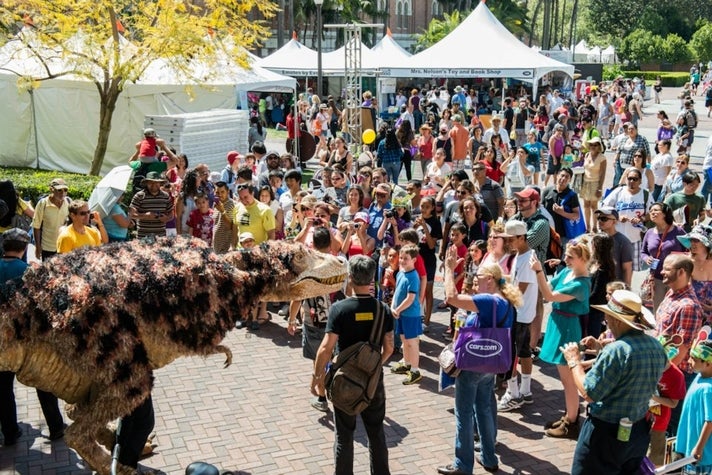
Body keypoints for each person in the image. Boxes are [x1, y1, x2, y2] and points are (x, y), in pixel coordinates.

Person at [562, 290, 667, 474]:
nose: (606, 321)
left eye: (608, 317)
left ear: (618, 320)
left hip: (606, 434)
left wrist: (574, 361)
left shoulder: (617, 350)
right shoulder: (655, 346)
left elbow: (589, 393)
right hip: (638, 431)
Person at [437, 247, 521, 475]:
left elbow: (451, 298)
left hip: (472, 364)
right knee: (484, 409)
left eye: (479, 278)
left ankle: (463, 464)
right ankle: (489, 457)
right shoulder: (504, 301)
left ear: (491, 280)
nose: (474, 282)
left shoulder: (487, 300)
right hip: (490, 363)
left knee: (463, 413)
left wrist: (448, 269)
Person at [311, 255, 395, 475]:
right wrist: (373, 367)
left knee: (344, 436)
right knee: (376, 433)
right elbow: (389, 348)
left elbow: (325, 348)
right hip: (373, 383)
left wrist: (317, 377)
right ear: (371, 280)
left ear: (350, 277)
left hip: (343, 381)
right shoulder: (382, 309)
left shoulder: (340, 309)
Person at [0, 228, 66, 446]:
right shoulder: (28, 271)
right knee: (43, 382)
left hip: (3, 339)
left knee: (3, 388)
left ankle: (10, 432)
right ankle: (56, 426)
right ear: (22, 248)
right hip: (26, 337)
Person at [530, 241, 591, 439]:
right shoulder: (567, 272)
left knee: (568, 380)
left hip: (567, 328)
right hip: (559, 323)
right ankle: (569, 415)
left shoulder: (582, 283)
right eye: (566, 255)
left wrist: (539, 271)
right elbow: (548, 291)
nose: (565, 259)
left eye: (570, 256)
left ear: (583, 259)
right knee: (565, 378)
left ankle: (571, 422)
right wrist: (540, 274)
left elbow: (548, 294)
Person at [655, 254, 705, 436]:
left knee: (672, 430)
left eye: (667, 269)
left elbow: (681, 351)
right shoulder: (671, 293)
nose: (662, 271)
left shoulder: (688, 306)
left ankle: (674, 465)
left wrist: (660, 374)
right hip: (664, 369)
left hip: (676, 376)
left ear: (682, 272)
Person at [498, 220, 538, 412]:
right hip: (521, 314)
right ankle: (525, 391)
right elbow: (514, 281)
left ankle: (514, 394)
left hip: (520, 314)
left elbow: (518, 290)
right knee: (522, 353)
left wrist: (499, 291)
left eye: (511, 239)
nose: (508, 243)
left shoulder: (527, 258)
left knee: (514, 355)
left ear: (522, 238)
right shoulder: (521, 256)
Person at [674, 339, 712, 474]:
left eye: (694, 359)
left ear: (707, 363)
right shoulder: (698, 377)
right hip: (689, 450)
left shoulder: (708, 389)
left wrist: (699, 448)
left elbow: (710, 421)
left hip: (701, 456)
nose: (689, 361)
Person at [641, 203, 686, 312]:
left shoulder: (678, 231)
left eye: (656, 210)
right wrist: (647, 259)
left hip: (676, 278)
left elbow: (689, 250)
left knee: (674, 310)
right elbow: (643, 252)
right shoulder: (649, 232)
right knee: (659, 311)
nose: (652, 213)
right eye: (651, 211)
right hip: (657, 278)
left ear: (665, 213)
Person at [389, 245, 424, 385]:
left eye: (406, 259)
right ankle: (407, 363)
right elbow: (397, 292)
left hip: (410, 315)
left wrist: (398, 309)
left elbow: (410, 299)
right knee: (404, 340)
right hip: (401, 314)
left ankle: (415, 370)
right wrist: (393, 306)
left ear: (414, 260)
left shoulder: (413, 277)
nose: (402, 261)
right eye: (401, 258)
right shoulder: (400, 273)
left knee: (412, 342)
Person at [32, 178, 70, 260]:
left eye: (65, 190)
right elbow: (36, 226)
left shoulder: (69, 202)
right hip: (47, 247)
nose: (63, 193)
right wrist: (38, 247)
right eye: (59, 190)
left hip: (64, 247)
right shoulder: (43, 204)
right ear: (51, 189)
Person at [129, 171, 174, 239]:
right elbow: (130, 214)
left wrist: (166, 218)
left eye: (156, 182)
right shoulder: (139, 196)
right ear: (146, 183)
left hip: (160, 237)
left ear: (160, 183)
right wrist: (144, 216)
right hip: (143, 237)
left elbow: (171, 213)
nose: (154, 185)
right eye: (151, 182)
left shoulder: (165, 196)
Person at [580, 136, 607, 232]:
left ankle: (595, 226)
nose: (593, 146)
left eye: (595, 145)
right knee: (586, 205)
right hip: (585, 182)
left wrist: (599, 188)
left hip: (595, 183)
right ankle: (588, 227)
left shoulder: (602, 158)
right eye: (591, 145)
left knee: (594, 206)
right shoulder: (587, 155)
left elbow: (603, 174)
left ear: (599, 146)